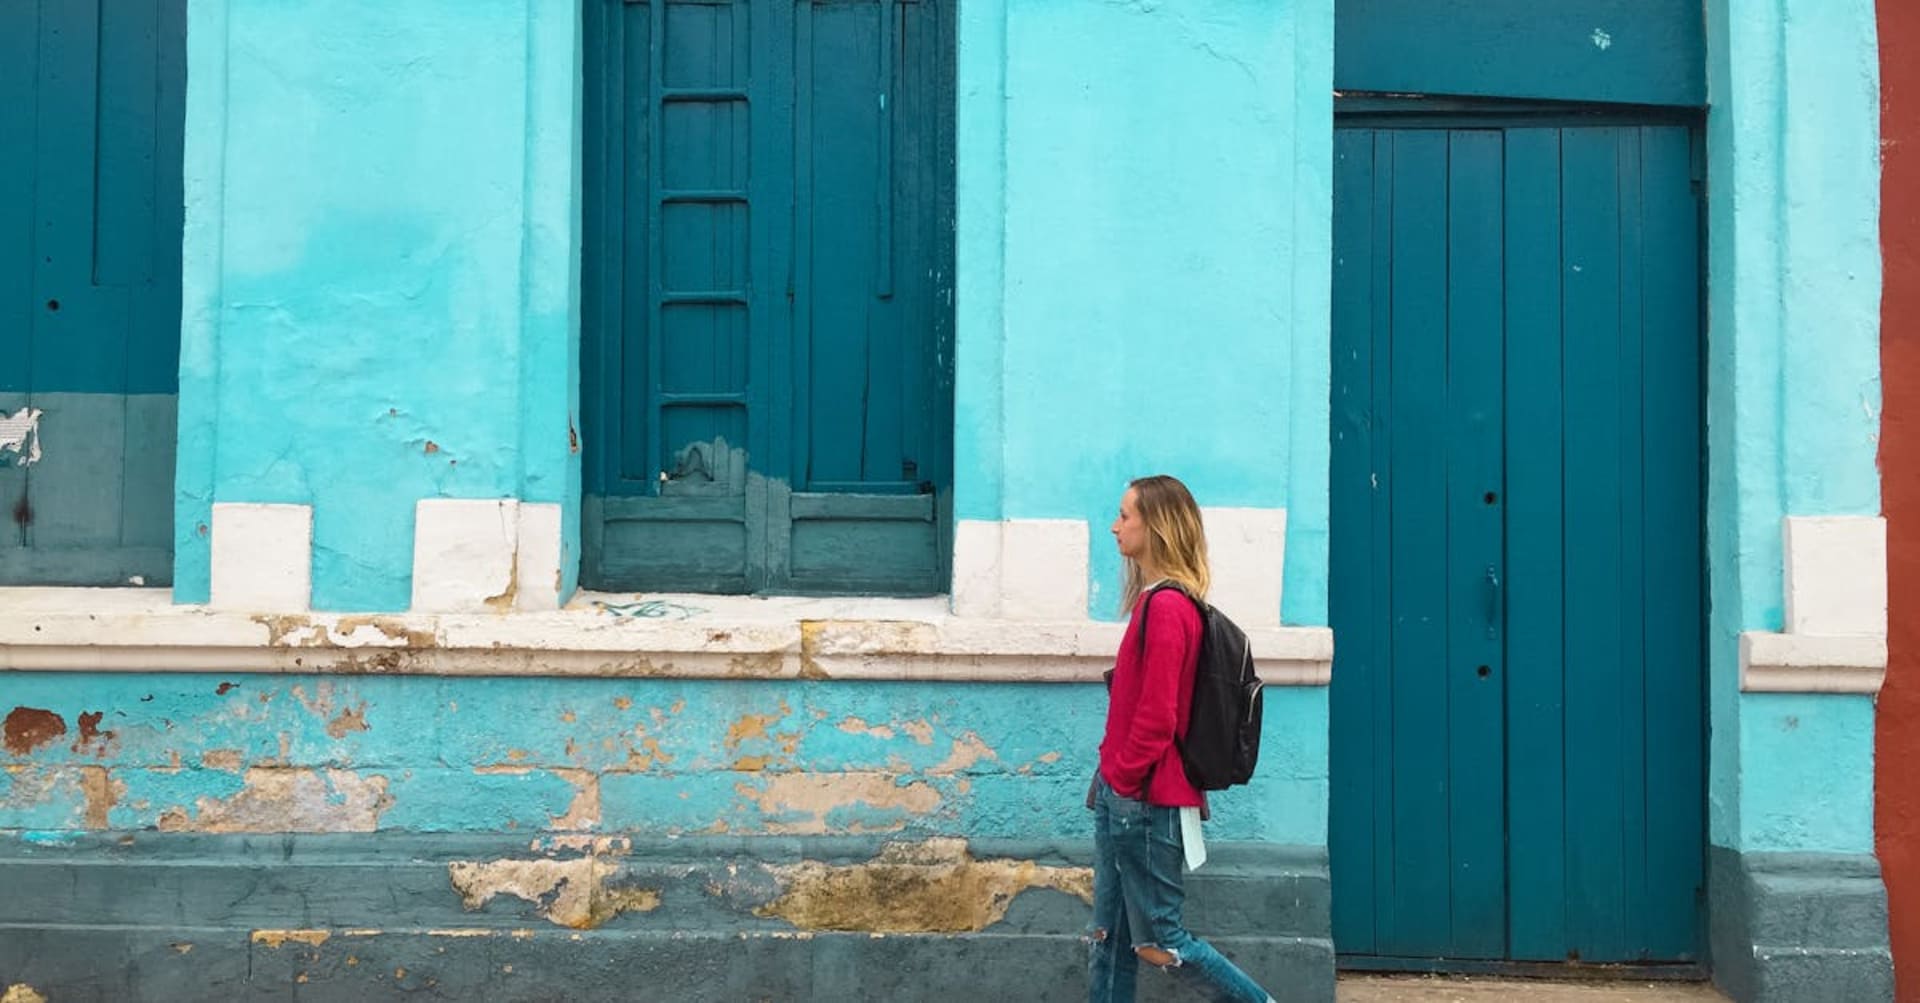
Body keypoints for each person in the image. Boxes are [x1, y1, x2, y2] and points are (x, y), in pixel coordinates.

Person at [1089, 475, 1277, 1003]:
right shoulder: (1156, 602)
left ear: (1157, 526)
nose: (1114, 525)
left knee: (1161, 942)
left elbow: (1157, 718)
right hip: (1125, 792)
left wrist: (1122, 780)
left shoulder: (1169, 608)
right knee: (1111, 938)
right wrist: (1110, 778)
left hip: (1145, 798)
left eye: (1125, 515)